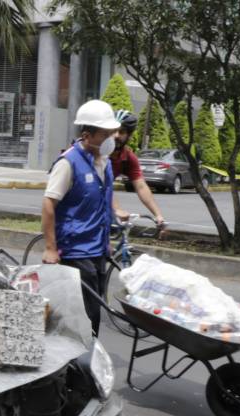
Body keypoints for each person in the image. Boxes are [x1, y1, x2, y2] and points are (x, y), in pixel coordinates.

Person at [40, 99, 123, 336]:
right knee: (84, 315)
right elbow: (48, 204)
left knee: (94, 311)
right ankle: (79, 366)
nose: (112, 138)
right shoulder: (68, 163)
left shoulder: (104, 163)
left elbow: (103, 202)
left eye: (112, 133)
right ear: (87, 135)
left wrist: (106, 240)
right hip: (75, 251)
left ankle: (87, 361)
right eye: (106, 134)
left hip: (97, 250)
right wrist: (50, 248)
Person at [110, 109, 166, 227]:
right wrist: (117, 209)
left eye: (121, 132)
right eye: (113, 131)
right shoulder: (97, 153)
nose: (116, 135)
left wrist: (158, 215)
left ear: (128, 136)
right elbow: (102, 186)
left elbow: (141, 187)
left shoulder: (128, 158)